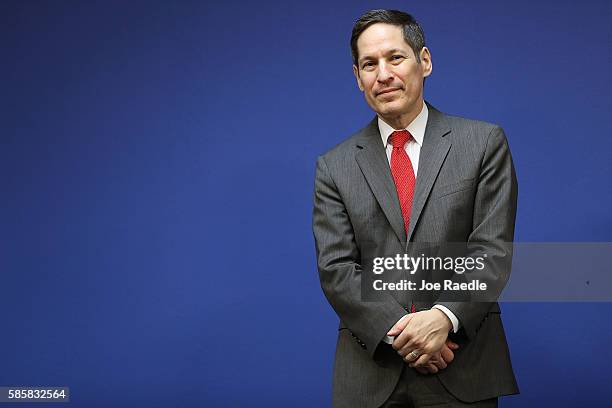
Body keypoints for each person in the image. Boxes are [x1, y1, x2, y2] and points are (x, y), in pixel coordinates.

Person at [312, 9, 519, 408]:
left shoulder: (483, 143)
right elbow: (337, 269)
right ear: (358, 78)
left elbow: (491, 252)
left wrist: (443, 319)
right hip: (371, 375)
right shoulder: (333, 166)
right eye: (369, 64)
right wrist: (403, 334)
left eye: (395, 57)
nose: (383, 74)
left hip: (462, 367)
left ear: (424, 61)